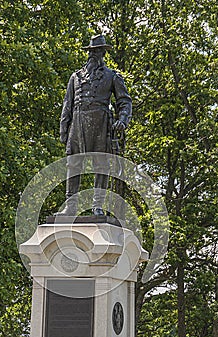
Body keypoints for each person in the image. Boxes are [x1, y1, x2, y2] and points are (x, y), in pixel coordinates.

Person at [56, 34, 132, 216]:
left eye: (97, 51)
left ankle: (98, 205)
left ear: (103, 53)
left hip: (101, 123)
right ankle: (71, 206)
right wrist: (63, 128)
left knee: (102, 165)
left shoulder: (111, 76)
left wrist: (123, 120)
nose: (94, 54)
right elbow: (68, 103)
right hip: (78, 122)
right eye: (91, 51)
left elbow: (125, 101)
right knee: (73, 164)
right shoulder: (75, 77)